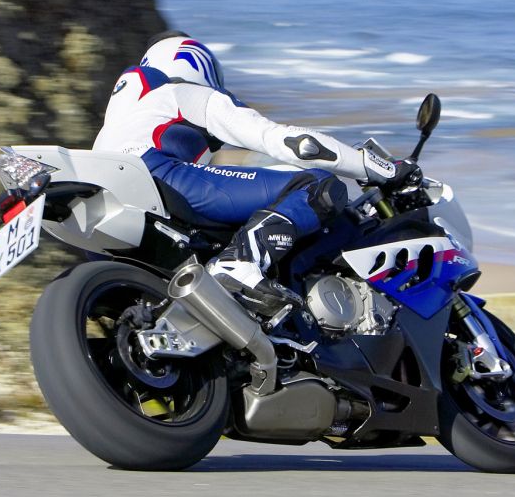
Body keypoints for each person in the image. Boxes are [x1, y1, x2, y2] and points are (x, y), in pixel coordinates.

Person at [93, 31, 413, 314]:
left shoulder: (124, 111)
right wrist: (376, 166)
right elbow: (296, 145)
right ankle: (241, 262)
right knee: (316, 185)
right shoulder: (186, 94)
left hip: (105, 202)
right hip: (159, 175)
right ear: (197, 65)